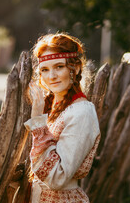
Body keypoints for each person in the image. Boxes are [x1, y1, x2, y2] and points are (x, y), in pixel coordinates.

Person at [24, 33, 101, 202]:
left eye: (59, 66)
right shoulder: (55, 108)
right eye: (45, 69)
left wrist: (37, 121)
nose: (52, 76)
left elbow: (57, 178)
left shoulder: (82, 112)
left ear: (76, 68)